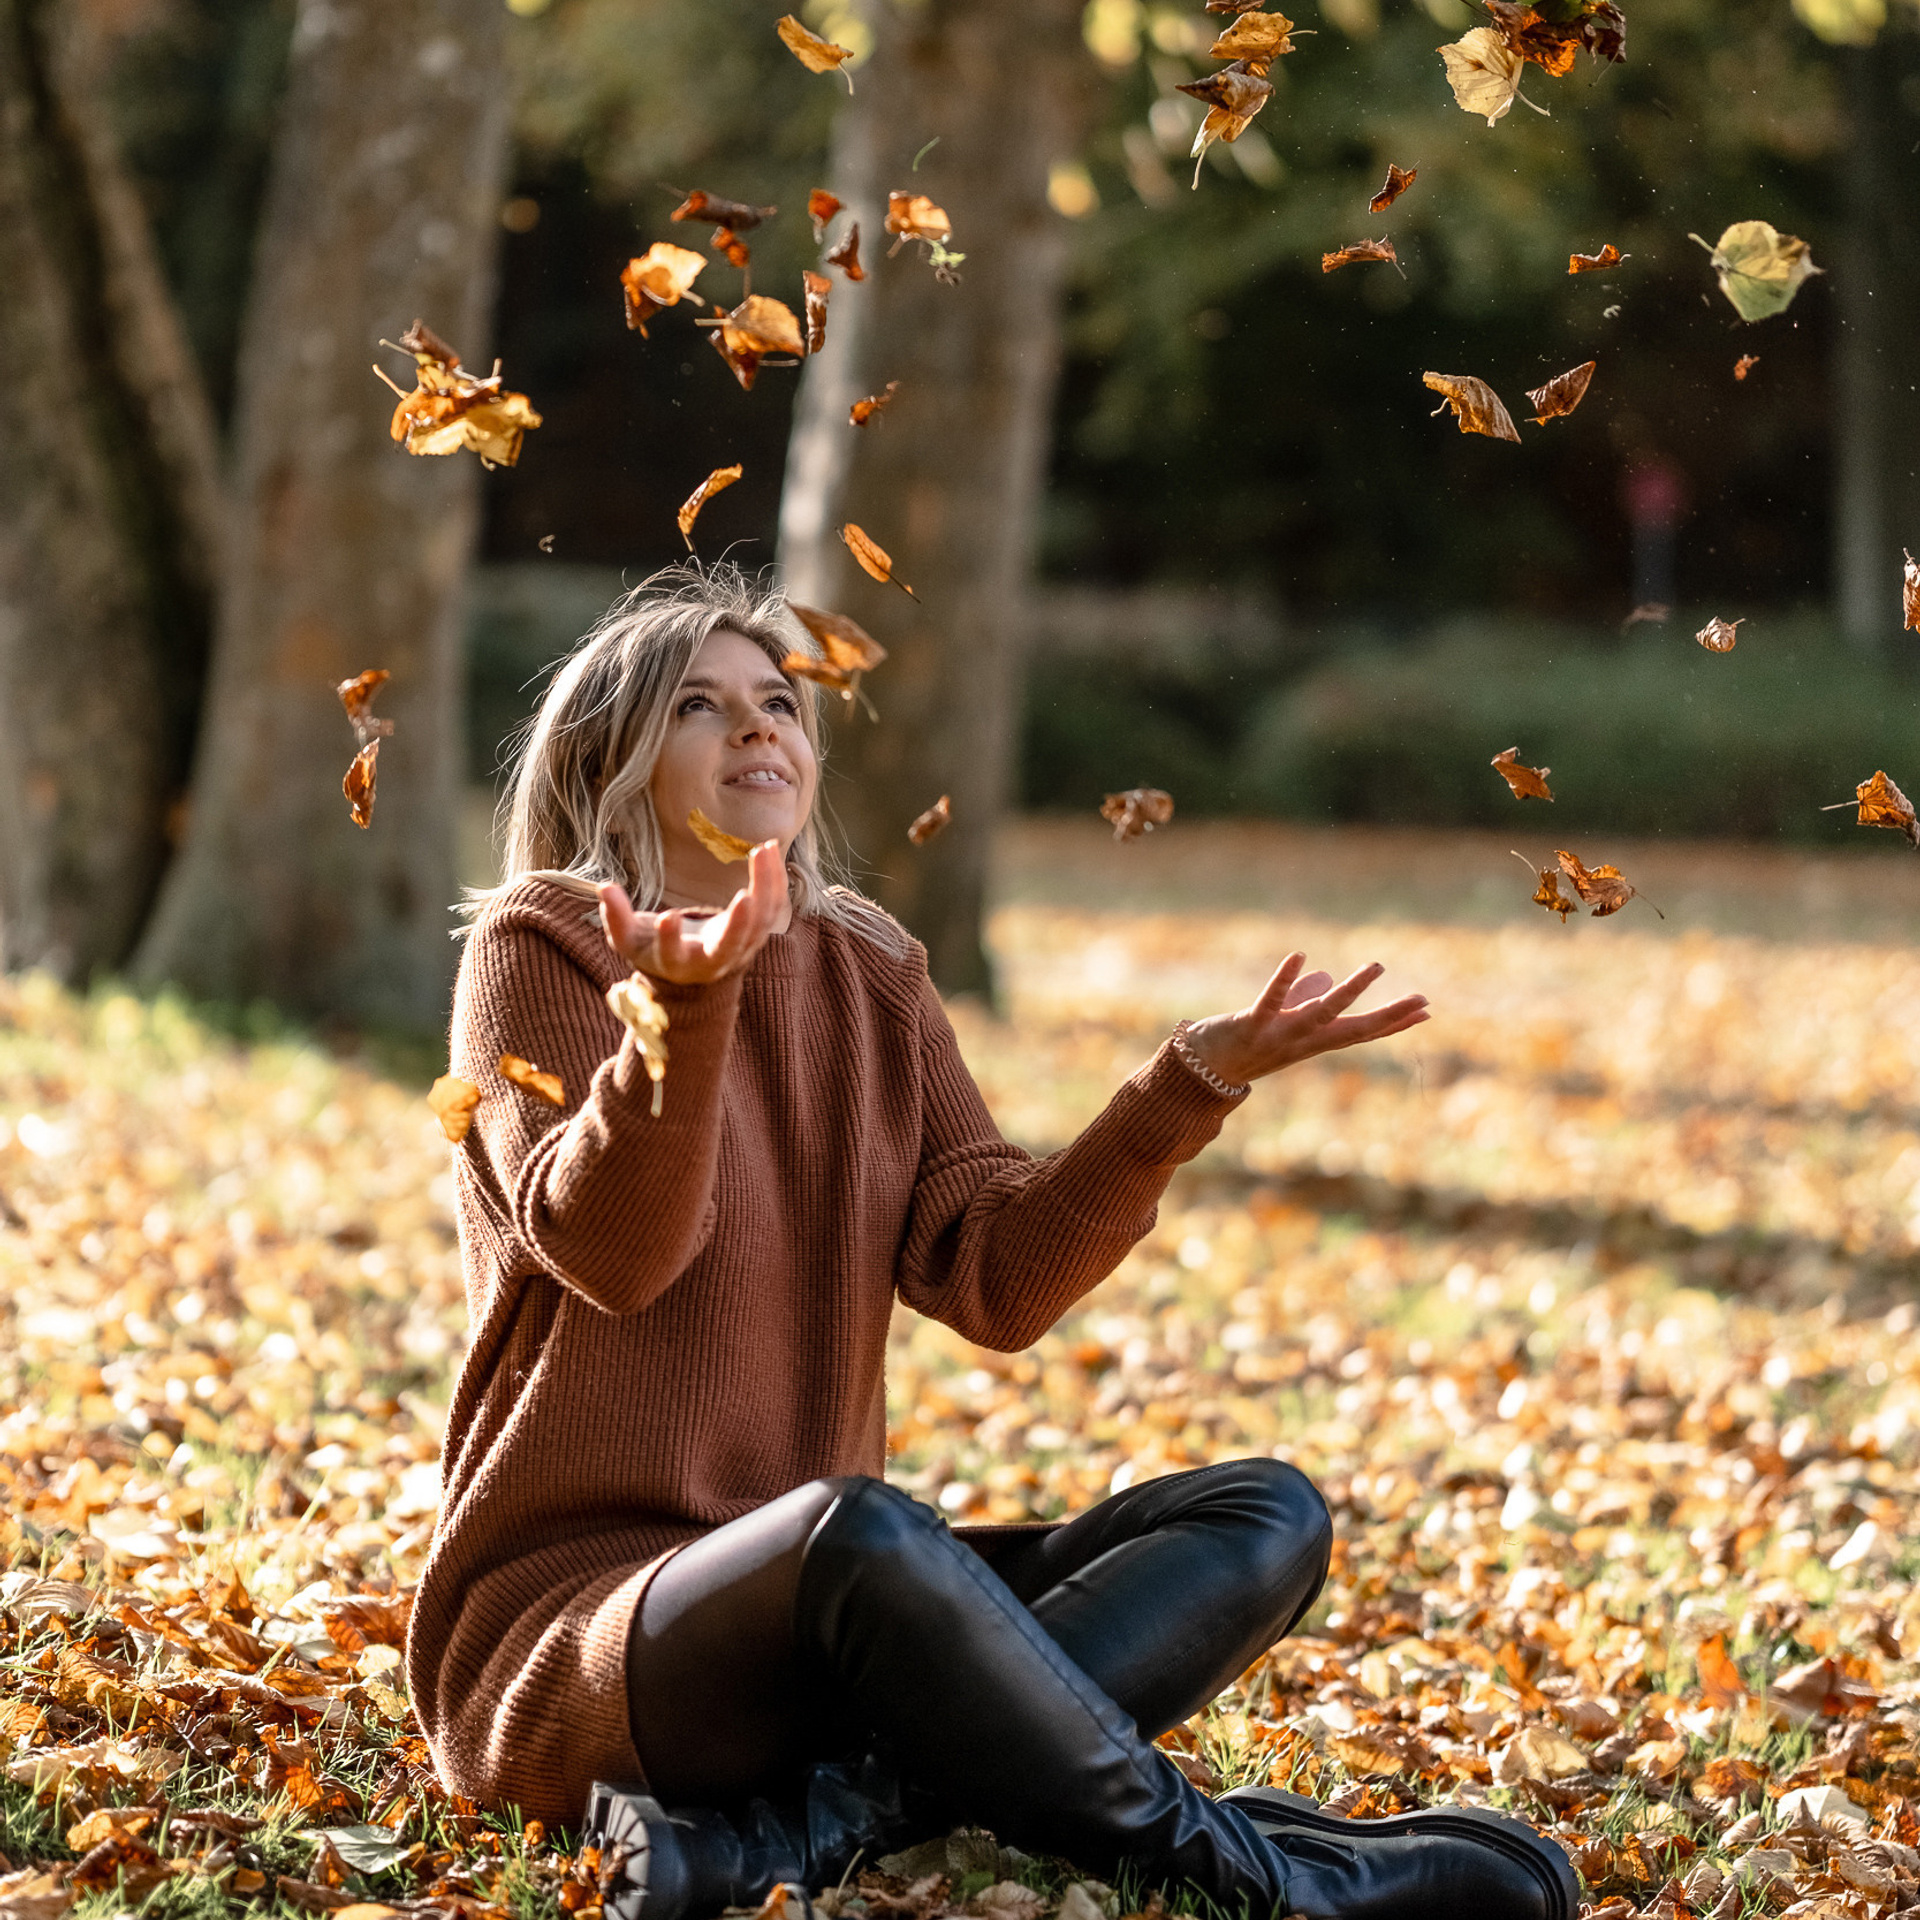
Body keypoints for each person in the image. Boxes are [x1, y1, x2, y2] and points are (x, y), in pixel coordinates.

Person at [407, 565, 1575, 1920]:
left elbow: (996, 1272)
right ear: (611, 757)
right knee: (863, 1535)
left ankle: (797, 1833)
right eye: (701, 707)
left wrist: (1182, 1088)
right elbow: (611, 1249)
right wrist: (679, 1016)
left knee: (1264, 1515)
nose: (760, 730)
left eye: (780, 703)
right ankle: (1256, 1875)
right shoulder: (538, 946)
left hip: (833, 1632)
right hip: (587, 1636)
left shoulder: (870, 968)